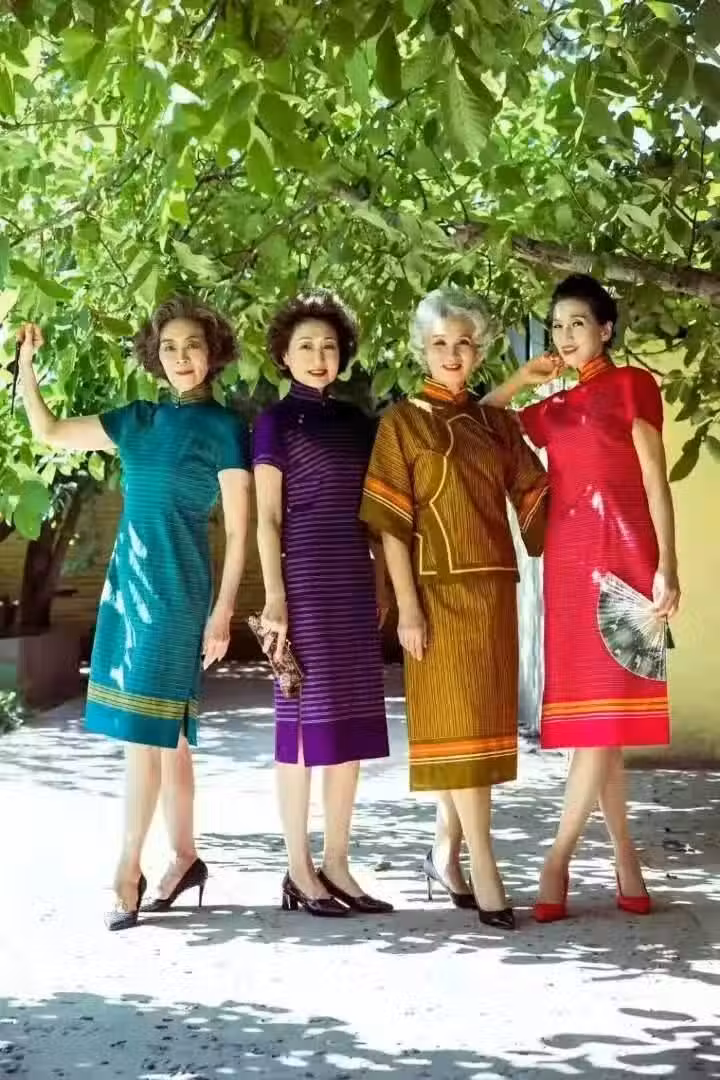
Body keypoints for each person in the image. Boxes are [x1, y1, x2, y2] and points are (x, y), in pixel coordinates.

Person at [16, 297, 251, 930]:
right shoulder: (136, 419)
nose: (181, 357)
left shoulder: (224, 429)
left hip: (179, 592)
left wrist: (224, 609)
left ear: (213, 352)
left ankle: (127, 869)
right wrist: (25, 366)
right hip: (127, 588)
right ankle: (185, 857)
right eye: (169, 347)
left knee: (144, 735)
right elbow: (50, 432)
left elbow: (240, 528)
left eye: (193, 345)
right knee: (170, 736)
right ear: (154, 355)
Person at [483, 273, 680, 919]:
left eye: (578, 323)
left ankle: (557, 859)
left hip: (627, 566)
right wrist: (523, 379)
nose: (566, 336)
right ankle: (626, 860)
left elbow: (654, 479)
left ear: (606, 329)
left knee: (600, 727)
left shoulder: (632, 386)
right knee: (601, 727)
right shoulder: (556, 408)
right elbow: (483, 419)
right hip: (568, 571)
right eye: (557, 325)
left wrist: (668, 565)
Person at [359, 287, 548, 929]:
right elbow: (391, 527)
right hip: (436, 599)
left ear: (479, 351)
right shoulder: (400, 423)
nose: (451, 353)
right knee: (456, 726)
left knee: (478, 735)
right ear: (422, 349)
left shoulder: (496, 425)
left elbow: (537, 492)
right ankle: (485, 865)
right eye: (439, 343)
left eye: (463, 343)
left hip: (494, 594)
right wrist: (407, 609)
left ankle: (445, 851)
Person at [253, 289, 392, 918]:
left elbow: (373, 514)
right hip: (303, 582)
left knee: (351, 728)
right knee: (302, 730)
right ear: (284, 355)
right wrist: (275, 597)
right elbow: (266, 519)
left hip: (353, 581)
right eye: (305, 346)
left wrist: (383, 582)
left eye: (329, 346)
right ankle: (298, 868)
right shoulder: (274, 422)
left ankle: (337, 863)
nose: (318, 356)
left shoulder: (359, 423)